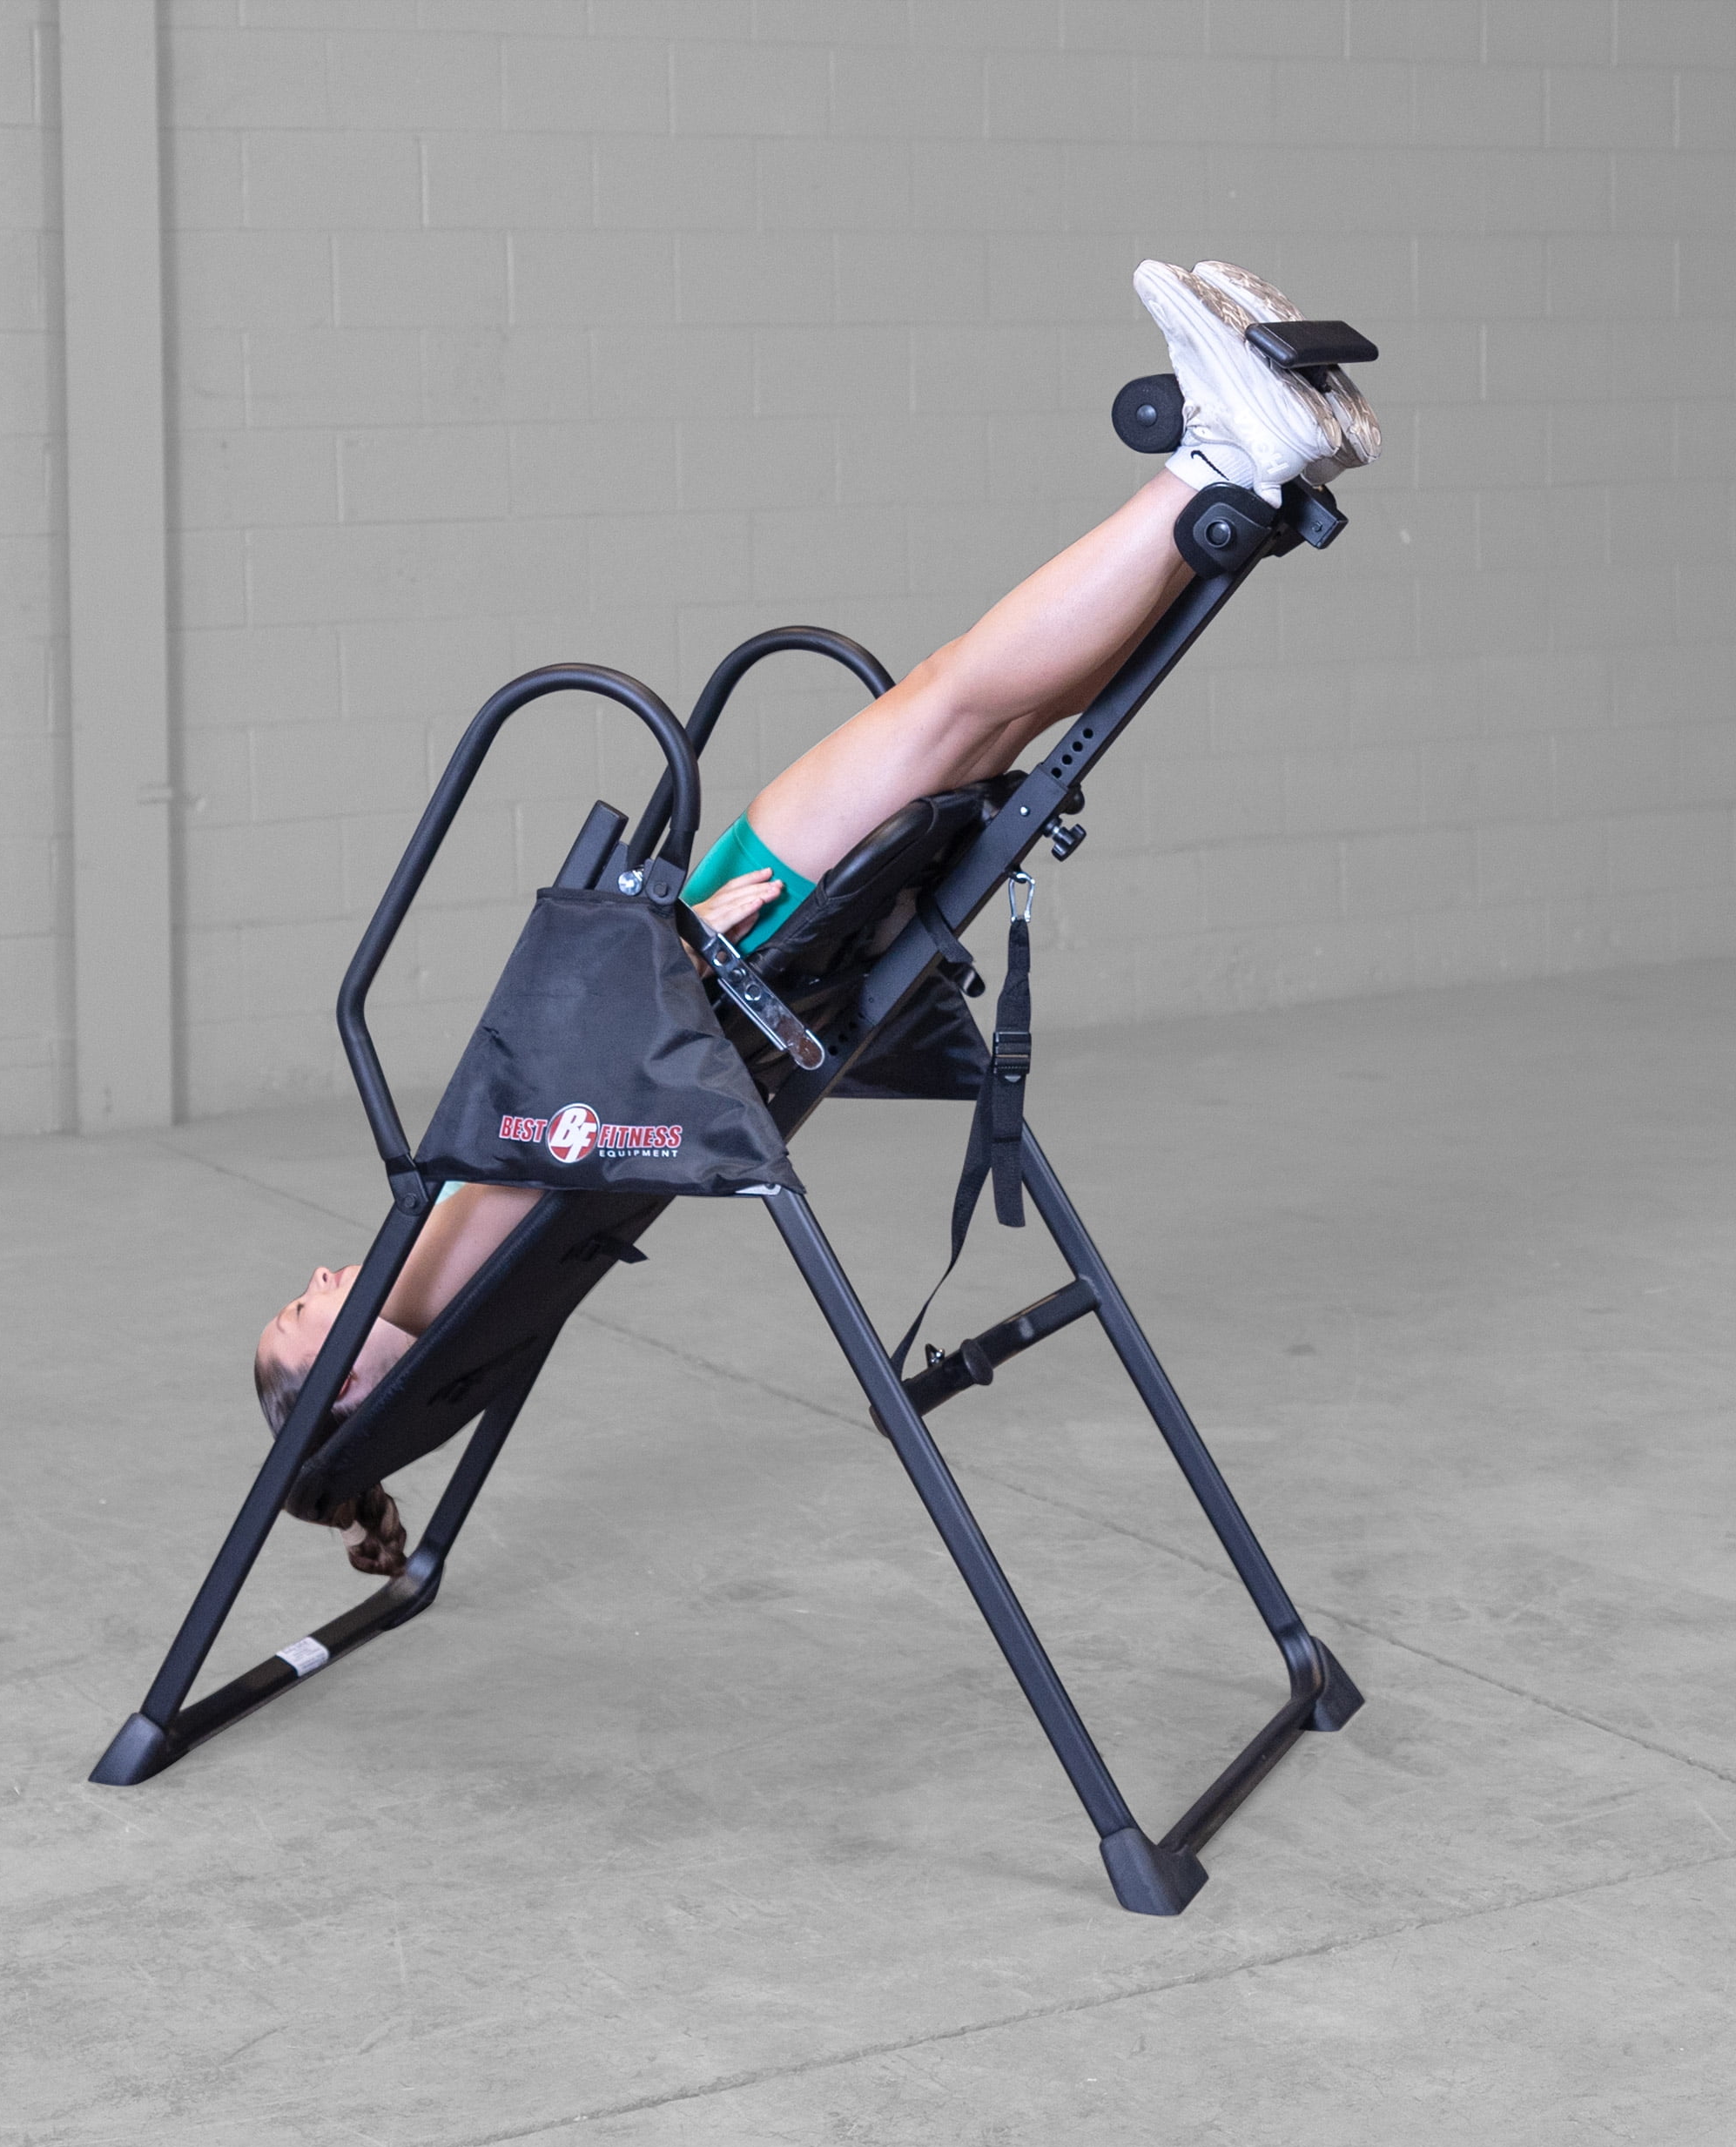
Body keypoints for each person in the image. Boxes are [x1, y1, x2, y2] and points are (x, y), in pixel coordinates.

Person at [255, 259, 1379, 1575]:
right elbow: (567, 1108)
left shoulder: (454, 1286)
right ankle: (1222, 463)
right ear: (353, 1378)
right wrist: (675, 939)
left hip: (722, 972)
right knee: (961, 696)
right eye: (299, 1316)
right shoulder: (433, 1257)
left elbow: (580, 1132)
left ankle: (1247, 462)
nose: (314, 1282)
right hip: (729, 942)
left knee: (985, 712)